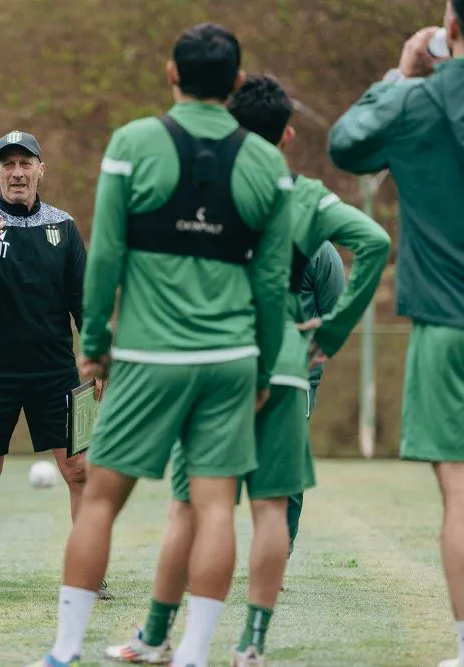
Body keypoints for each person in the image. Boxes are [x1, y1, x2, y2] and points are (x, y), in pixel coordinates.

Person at [102, 74, 391, 667]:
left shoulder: (202, 184)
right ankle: (251, 645)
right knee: (272, 507)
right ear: (286, 134)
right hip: (282, 362)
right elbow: (375, 241)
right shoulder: (300, 192)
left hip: (219, 358)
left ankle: (156, 637)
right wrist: (329, 333)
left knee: (189, 507)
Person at [32, 26, 295, 667]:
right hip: (230, 361)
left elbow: (107, 259)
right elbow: (271, 279)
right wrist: (261, 360)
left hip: (149, 359)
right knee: (212, 510)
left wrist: (93, 343)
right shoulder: (268, 165)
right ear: (234, 85)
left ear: (170, 74)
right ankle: (196, 655)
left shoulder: (133, 144)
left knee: (100, 501)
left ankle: (64, 653)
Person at [329, 1, 464, 665]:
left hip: (448, 327)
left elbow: (346, 143)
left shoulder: (415, 101)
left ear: (448, 28)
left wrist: (401, 74)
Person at [0, 129, 96, 599]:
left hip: (59, 372)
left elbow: (83, 301)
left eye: (25, 163)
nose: (16, 173)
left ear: (40, 170)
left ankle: (90, 571)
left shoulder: (65, 227)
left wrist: (95, 358)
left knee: (82, 470)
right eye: (7, 164)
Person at [286, 241, 345, 553]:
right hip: (240, 369)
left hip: (297, 377)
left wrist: (318, 349)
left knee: (287, 469)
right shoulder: (243, 222)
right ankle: (206, 551)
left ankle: (278, 552)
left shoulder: (321, 250)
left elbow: (338, 310)